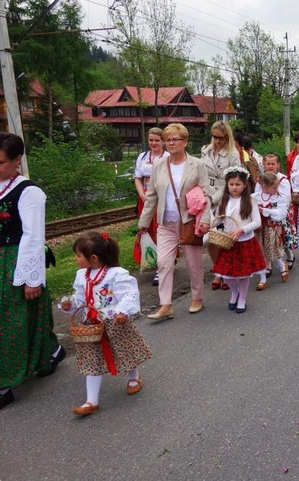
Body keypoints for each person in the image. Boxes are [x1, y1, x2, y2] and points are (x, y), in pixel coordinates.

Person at [0, 133, 64, 410]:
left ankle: (5, 382)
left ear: (17, 160)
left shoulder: (29, 192)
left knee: (12, 321)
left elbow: (33, 237)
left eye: (0, 162)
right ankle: (50, 352)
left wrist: (31, 279)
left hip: (16, 260)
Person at [59, 232, 150, 416]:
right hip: (91, 325)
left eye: (78, 255)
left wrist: (122, 310)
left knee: (123, 350)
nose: (75, 259)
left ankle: (133, 376)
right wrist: (70, 304)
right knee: (92, 359)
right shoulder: (81, 276)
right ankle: (91, 400)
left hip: (114, 321)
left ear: (93, 258)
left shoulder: (116, 274)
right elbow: (80, 299)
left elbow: (128, 294)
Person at [139, 123, 212, 320]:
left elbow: (206, 194)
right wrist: (143, 222)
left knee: (193, 263)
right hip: (166, 222)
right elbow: (152, 195)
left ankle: (197, 297)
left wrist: (205, 220)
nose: (171, 143)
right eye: (168, 139)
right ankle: (165, 305)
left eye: (175, 139)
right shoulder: (159, 165)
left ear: (185, 142)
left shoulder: (197, 164)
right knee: (163, 263)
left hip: (189, 222)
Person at [212, 167, 266, 310]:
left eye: (238, 184)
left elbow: (257, 222)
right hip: (228, 242)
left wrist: (242, 229)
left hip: (245, 242)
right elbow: (218, 220)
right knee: (227, 274)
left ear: (244, 185)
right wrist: (211, 227)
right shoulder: (224, 201)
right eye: (231, 184)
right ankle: (234, 293)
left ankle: (242, 298)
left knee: (243, 275)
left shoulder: (250, 201)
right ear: (227, 185)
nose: (234, 187)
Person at [201, 121, 241, 292]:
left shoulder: (233, 154)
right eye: (214, 137)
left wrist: (217, 197)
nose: (217, 141)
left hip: (226, 194)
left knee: (224, 237)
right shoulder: (205, 150)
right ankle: (219, 269)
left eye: (220, 138)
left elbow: (235, 177)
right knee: (211, 236)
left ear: (227, 137)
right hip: (207, 192)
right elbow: (200, 173)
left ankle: (226, 270)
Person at [134, 127, 168, 286]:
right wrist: (142, 194)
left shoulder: (167, 157)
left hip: (161, 198)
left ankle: (162, 267)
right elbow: (137, 177)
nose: (154, 143)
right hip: (145, 199)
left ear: (163, 141)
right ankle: (151, 261)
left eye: (157, 140)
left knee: (160, 231)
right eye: (151, 140)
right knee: (146, 230)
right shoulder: (142, 157)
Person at [255, 172, 290, 291]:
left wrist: (266, 211)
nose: (276, 189)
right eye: (274, 187)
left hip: (272, 228)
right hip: (259, 229)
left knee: (272, 251)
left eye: (277, 187)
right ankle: (262, 279)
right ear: (264, 185)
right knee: (260, 252)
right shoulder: (255, 197)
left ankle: (282, 266)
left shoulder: (279, 198)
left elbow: (281, 213)